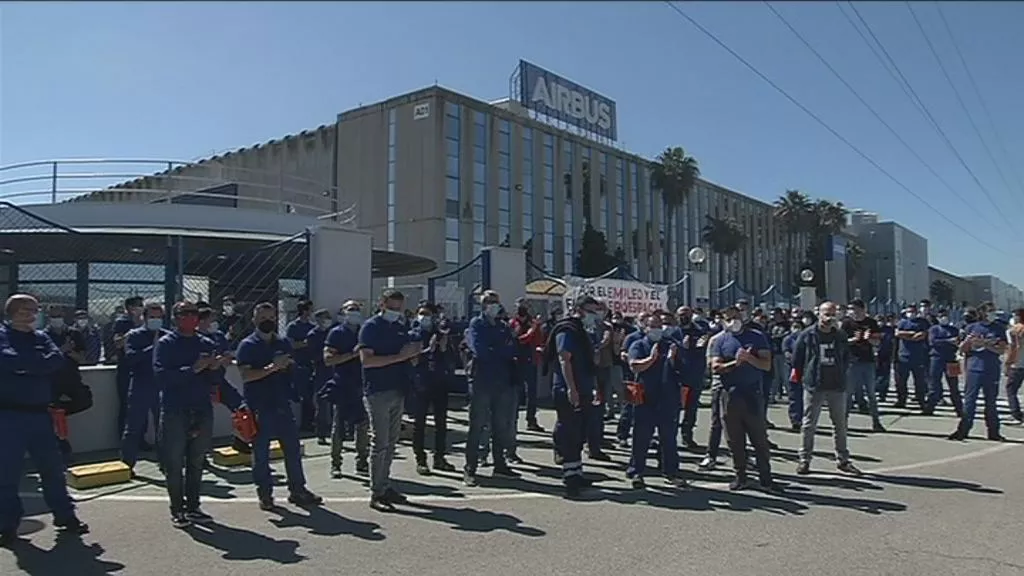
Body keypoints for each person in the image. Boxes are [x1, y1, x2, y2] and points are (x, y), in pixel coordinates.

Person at [0, 294, 89, 545]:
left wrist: (27, 366)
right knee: (6, 473)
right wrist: (36, 364)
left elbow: (56, 361)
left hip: (39, 414)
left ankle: (65, 516)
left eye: (34, 310)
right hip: (8, 415)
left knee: (52, 469)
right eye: (26, 310)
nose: (32, 314)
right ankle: (7, 525)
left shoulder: (41, 337)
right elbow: (7, 361)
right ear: (13, 312)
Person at [236, 302, 322, 510]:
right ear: (255, 320)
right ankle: (265, 494)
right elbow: (246, 375)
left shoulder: (282, 343)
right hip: (259, 405)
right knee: (261, 453)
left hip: (281, 402)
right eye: (263, 318)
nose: (268, 321)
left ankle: (298, 490)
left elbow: (291, 368)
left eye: (271, 318)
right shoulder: (248, 345)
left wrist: (290, 368)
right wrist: (273, 367)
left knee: (292, 449)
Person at [154, 301, 231, 528]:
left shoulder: (206, 342)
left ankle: (193, 506)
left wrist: (216, 368)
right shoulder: (167, 343)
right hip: (175, 409)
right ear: (176, 317)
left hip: (200, 408)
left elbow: (215, 380)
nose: (190, 318)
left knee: (197, 460)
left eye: (194, 314)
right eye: (184, 314)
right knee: (174, 462)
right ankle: (177, 509)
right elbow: (161, 377)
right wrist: (193, 368)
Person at [358, 289, 422, 510]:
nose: (396, 312)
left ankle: (385, 485)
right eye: (392, 307)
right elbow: (367, 361)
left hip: (398, 388)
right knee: (380, 442)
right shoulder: (371, 327)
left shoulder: (400, 327)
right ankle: (376, 492)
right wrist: (400, 357)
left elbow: (405, 357)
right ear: (382, 304)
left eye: (399, 307)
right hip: (378, 390)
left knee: (392, 442)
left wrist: (412, 356)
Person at [709, 305, 781, 492]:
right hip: (729, 393)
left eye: (735, 317)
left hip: (752, 394)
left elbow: (766, 365)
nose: (733, 321)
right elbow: (715, 367)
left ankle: (766, 477)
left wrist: (749, 359)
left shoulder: (756, 337)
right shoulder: (720, 340)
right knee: (734, 438)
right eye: (728, 318)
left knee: (759, 438)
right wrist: (735, 362)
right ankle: (741, 476)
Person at [791, 301, 862, 476]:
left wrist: (841, 373)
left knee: (840, 424)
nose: (829, 317)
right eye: (826, 313)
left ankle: (843, 460)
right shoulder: (807, 335)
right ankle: (805, 459)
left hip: (836, 385)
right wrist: (803, 376)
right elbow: (797, 358)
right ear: (819, 314)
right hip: (814, 385)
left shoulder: (840, 336)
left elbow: (846, 357)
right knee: (809, 424)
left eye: (832, 313)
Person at [544, 295, 603, 498]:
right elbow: (564, 360)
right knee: (570, 431)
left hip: (584, 387)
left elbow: (590, 363)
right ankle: (569, 477)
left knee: (580, 431)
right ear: (579, 309)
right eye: (591, 310)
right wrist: (572, 389)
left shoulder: (585, 332)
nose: (594, 314)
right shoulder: (567, 330)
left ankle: (577, 471)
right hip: (568, 388)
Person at [464, 291, 520, 486]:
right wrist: (500, 350)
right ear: (482, 305)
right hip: (481, 381)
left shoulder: (503, 327)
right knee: (477, 425)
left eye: (495, 302)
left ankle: (500, 463)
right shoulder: (476, 324)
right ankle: (470, 467)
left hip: (502, 380)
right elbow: (479, 350)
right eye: (489, 302)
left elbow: (512, 349)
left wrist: (496, 349)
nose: (493, 305)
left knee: (500, 425)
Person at [626, 313, 688, 488]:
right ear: (645, 328)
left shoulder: (670, 346)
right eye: (653, 326)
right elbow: (634, 366)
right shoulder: (639, 345)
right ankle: (637, 471)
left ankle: (671, 472)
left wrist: (673, 359)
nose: (657, 330)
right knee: (641, 437)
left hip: (667, 398)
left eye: (659, 326)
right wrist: (651, 359)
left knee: (668, 438)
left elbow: (683, 371)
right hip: (645, 398)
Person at [322, 300, 370, 479]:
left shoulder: (364, 331)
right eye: (351, 310)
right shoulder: (336, 333)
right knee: (338, 426)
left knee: (362, 425)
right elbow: (328, 359)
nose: (354, 313)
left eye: (357, 310)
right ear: (343, 312)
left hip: (362, 384)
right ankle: (336, 463)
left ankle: (362, 461)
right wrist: (352, 354)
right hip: (343, 383)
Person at [120, 303, 169, 473]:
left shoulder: (167, 336)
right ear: (145, 318)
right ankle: (127, 464)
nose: (156, 320)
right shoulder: (134, 335)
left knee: (163, 427)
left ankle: (166, 463)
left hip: (162, 385)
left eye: (159, 317)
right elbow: (131, 357)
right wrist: (152, 348)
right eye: (152, 317)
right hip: (141, 383)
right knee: (134, 427)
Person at [410, 302, 456, 475]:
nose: (425, 317)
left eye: (428, 314)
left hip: (439, 382)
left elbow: (449, 356)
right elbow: (411, 359)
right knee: (419, 423)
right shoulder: (413, 334)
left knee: (441, 423)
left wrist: (442, 346)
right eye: (422, 313)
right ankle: (420, 459)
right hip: (420, 382)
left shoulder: (438, 333)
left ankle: (439, 457)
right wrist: (426, 348)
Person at [948, 303, 1006, 441]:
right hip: (974, 369)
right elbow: (962, 349)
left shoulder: (998, 328)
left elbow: (1001, 349)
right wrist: (967, 343)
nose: (993, 313)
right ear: (983, 313)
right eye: (990, 311)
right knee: (969, 401)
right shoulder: (972, 328)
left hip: (991, 369)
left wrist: (984, 343)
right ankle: (963, 430)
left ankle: (993, 432)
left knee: (990, 402)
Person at [840, 299, 885, 432]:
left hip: (867, 361)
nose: (852, 312)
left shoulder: (871, 323)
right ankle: (843, 423)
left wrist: (869, 339)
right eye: (850, 309)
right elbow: (841, 342)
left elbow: (877, 343)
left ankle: (876, 422)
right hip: (852, 362)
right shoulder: (847, 323)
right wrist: (852, 340)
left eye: (854, 309)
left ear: (862, 309)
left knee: (871, 393)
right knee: (848, 394)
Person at [671, 306, 709, 451]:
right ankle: (671, 437)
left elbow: (703, 347)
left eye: (686, 314)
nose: (683, 317)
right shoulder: (674, 332)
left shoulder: (699, 331)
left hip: (695, 375)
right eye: (681, 314)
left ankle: (687, 436)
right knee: (674, 408)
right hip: (677, 377)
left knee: (691, 409)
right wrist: (683, 346)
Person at [510, 299, 545, 432]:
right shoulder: (513, 323)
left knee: (532, 393)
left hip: (531, 361)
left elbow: (538, 339)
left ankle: (531, 420)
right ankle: (513, 421)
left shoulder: (532, 322)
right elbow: (519, 340)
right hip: (518, 361)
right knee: (517, 393)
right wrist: (532, 331)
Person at [112, 296, 144, 437]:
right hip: (126, 367)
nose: (140, 308)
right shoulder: (122, 322)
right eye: (138, 305)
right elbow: (118, 343)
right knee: (126, 404)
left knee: (143, 404)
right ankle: (124, 437)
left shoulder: (145, 323)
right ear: (130, 308)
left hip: (142, 367)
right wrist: (131, 334)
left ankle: (141, 437)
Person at [285, 299, 317, 432]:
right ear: (304, 311)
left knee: (310, 395)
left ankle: (308, 423)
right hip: (299, 364)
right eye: (310, 309)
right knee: (301, 395)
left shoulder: (312, 326)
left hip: (311, 364)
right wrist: (306, 343)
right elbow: (291, 344)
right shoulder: (293, 326)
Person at [306, 308, 335, 445]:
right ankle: (321, 433)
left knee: (338, 403)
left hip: (335, 371)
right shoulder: (313, 335)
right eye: (324, 317)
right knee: (322, 404)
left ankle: (339, 431)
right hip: (321, 372)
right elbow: (314, 356)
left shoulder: (334, 332)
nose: (327, 320)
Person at [894, 305, 931, 410]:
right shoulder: (902, 322)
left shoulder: (923, 322)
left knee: (919, 382)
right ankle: (901, 400)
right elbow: (898, 333)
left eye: (913, 311)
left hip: (918, 357)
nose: (910, 313)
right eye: (909, 311)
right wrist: (912, 334)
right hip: (903, 357)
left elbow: (922, 335)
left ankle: (921, 401)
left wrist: (908, 336)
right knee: (901, 382)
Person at [927, 310, 963, 418]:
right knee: (934, 384)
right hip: (936, 358)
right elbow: (933, 342)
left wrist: (953, 342)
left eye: (945, 316)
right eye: (941, 316)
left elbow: (957, 342)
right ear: (938, 318)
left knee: (953, 386)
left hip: (951, 359)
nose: (944, 318)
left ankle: (959, 409)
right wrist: (948, 341)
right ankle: (930, 407)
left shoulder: (954, 330)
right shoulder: (934, 329)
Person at [1004, 308, 1024, 424]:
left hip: (1017, 364)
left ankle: (1015, 414)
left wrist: (1007, 363)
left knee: (1011, 389)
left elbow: (1013, 348)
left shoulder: (1013, 331)